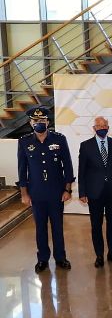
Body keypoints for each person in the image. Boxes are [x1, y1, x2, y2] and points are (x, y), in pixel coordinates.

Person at [17, 107, 75, 273]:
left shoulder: (59, 139)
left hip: (56, 192)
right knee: (40, 228)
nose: (39, 123)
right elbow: (22, 169)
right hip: (36, 193)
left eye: (42, 120)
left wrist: (67, 190)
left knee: (57, 227)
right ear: (31, 123)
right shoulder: (24, 141)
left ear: (48, 122)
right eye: (35, 121)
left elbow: (68, 166)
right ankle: (42, 259)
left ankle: (60, 258)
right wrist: (24, 193)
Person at [78, 116, 112, 268]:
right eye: (99, 126)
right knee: (96, 225)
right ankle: (99, 255)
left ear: (108, 127)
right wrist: (82, 192)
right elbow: (82, 171)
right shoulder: (85, 146)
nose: (102, 128)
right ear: (94, 128)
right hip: (94, 192)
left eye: (104, 125)